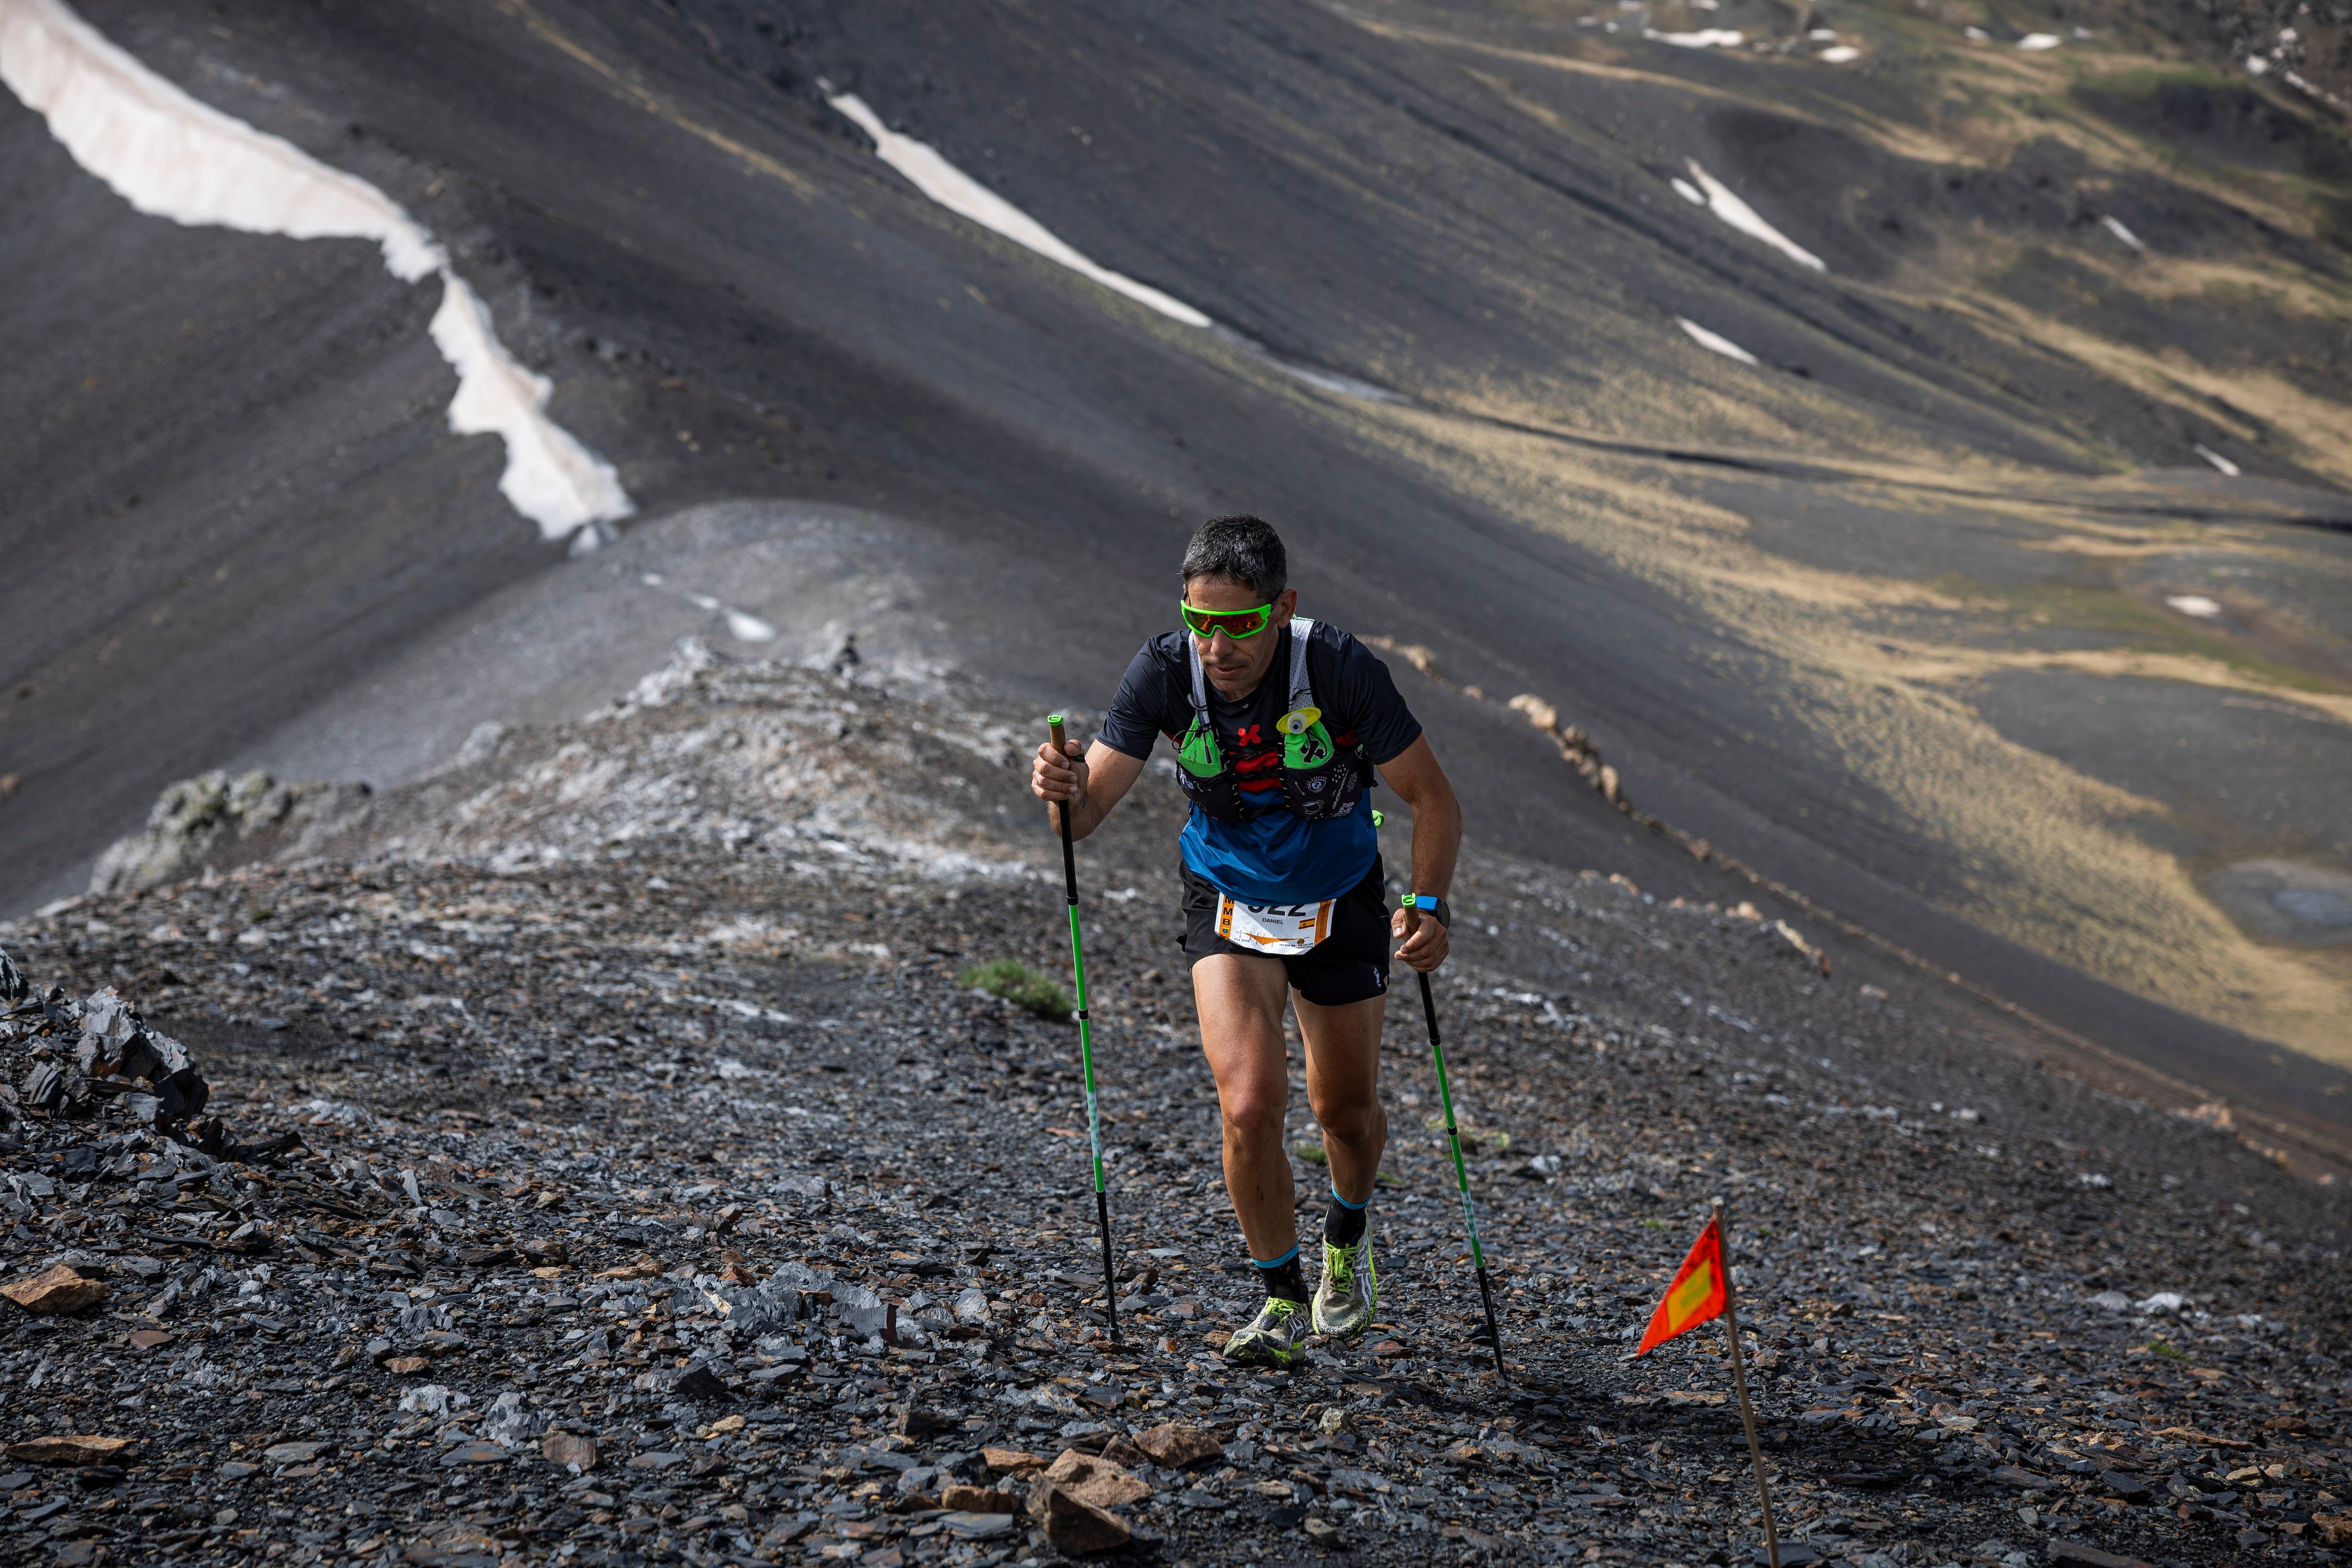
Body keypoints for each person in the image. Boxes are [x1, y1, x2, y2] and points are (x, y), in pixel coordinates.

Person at [1031, 515, 1461, 1368]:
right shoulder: (1163, 670)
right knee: (1250, 1105)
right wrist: (1057, 786)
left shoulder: (1338, 666)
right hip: (1226, 899)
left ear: (1282, 607)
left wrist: (1428, 905)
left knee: (1342, 1109)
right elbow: (1085, 815)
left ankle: (1347, 1235)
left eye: (1239, 625)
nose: (1218, 646)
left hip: (1340, 897)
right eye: (1202, 622)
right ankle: (1279, 1299)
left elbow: (1434, 799)